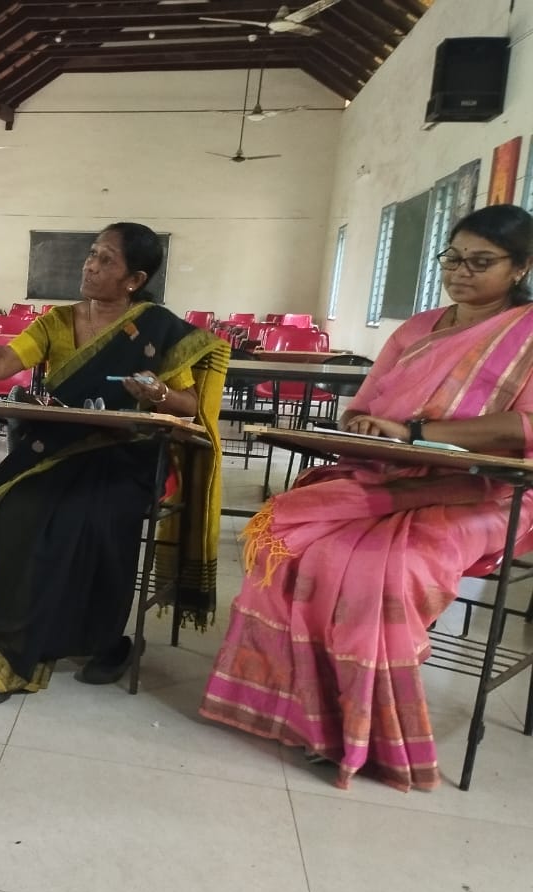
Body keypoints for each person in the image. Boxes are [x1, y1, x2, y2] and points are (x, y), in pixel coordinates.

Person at [201, 204, 533, 792]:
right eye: (453, 258)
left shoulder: (526, 333)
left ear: (521, 267)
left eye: (480, 262)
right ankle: (301, 705)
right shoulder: (415, 330)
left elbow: (523, 427)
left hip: (486, 490)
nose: (460, 271)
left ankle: (359, 725)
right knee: (291, 544)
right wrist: (363, 427)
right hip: (385, 475)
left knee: (385, 567)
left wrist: (416, 432)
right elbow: (363, 406)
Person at [0, 223, 228, 702]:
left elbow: (191, 405)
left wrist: (158, 392)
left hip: (126, 456)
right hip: (55, 449)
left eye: (106, 259)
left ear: (134, 279)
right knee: (11, 505)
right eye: (92, 254)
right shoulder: (58, 322)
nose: (89, 266)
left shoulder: (157, 327)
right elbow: (1, 365)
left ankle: (96, 639)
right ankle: (4, 643)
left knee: (82, 514)